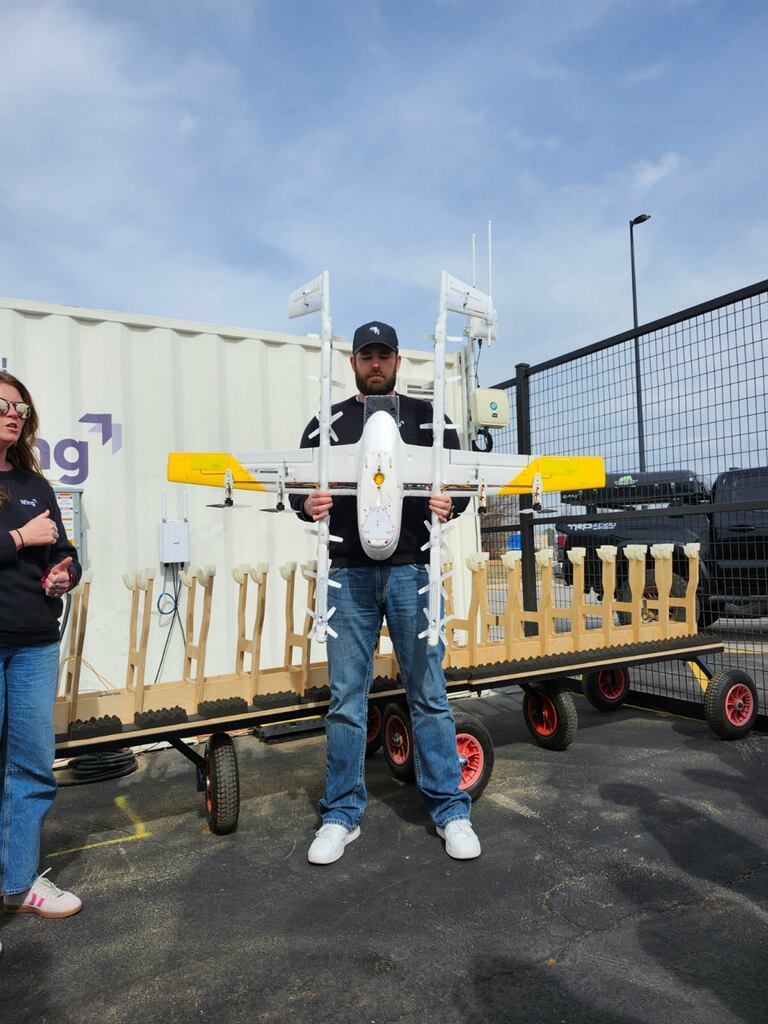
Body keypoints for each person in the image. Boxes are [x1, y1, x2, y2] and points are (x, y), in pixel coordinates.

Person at [292, 321, 481, 864]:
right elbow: (296, 487)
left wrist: (454, 504)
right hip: (346, 571)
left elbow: (464, 483)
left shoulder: (429, 418)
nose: (375, 363)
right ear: (353, 362)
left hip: (413, 571)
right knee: (346, 699)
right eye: (365, 355)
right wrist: (307, 505)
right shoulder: (326, 422)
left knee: (429, 693)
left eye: (384, 355)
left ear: (399, 361)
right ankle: (340, 814)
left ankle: (451, 809)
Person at [0, 371, 83, 918]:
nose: (13, 414)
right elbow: (29, 539)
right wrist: (18, 538)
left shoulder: (34, 483)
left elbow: (66, 548)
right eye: (3, 405)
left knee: (30, 765)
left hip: (33, 642)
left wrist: (64, 572)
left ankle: (18, 882)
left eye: (21, 409)